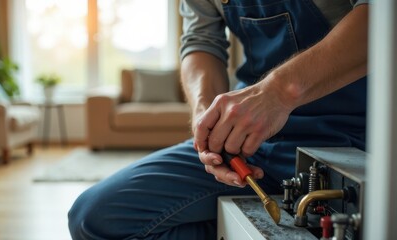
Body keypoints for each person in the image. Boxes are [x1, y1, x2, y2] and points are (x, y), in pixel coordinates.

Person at [68, 0, 369, 239]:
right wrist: (206, 121)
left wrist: (277, 93)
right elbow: (200, 41)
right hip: (245, 144)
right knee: (94, 219)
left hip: (351, 138)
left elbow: (381, 18)